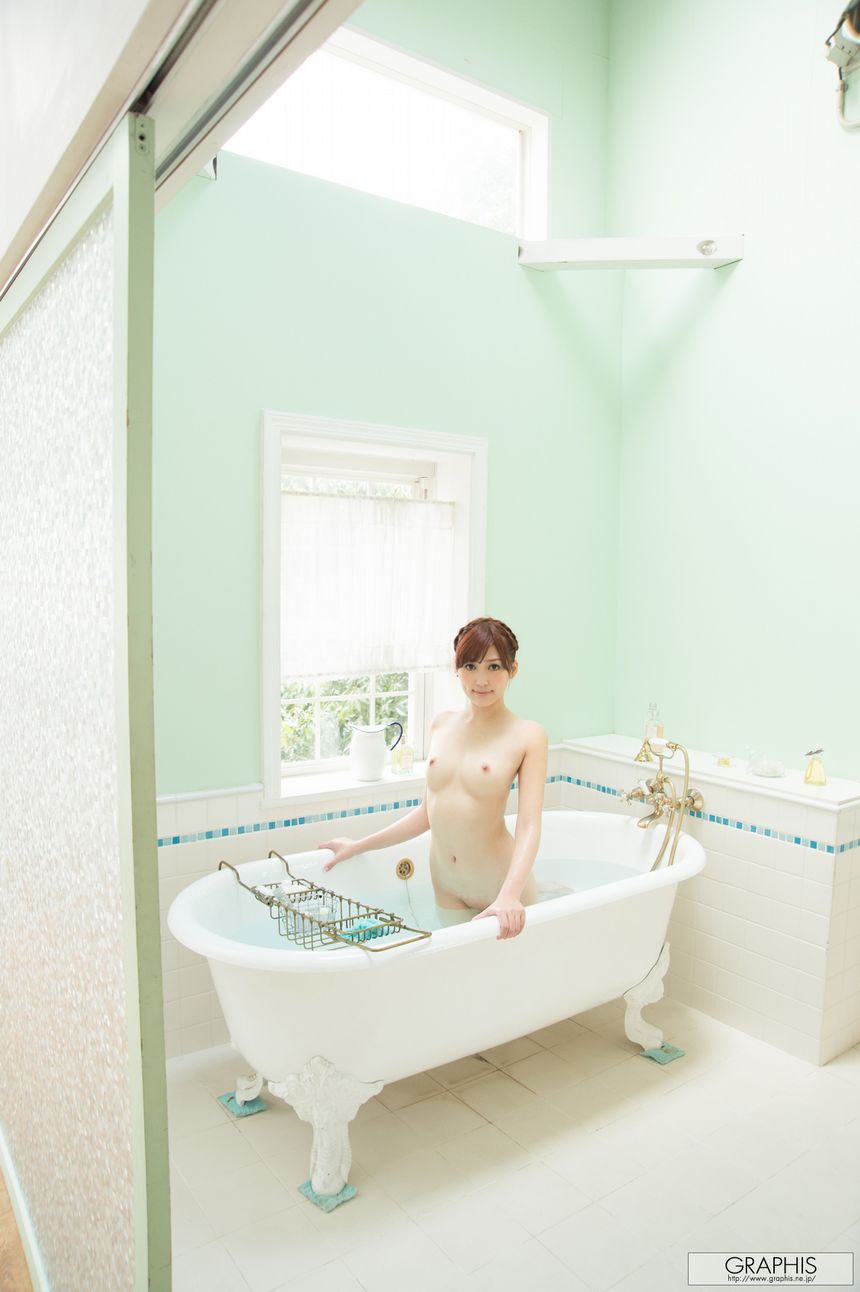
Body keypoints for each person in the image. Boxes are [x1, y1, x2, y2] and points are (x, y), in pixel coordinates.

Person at [318, 617, 548, 939]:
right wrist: (358, 845)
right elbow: (427, 813)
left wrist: (509, 895)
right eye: (470, 666)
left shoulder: (527, 735)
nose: (481, 679)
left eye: (494, 667)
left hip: (499, 888)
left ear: (513, 669)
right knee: (457, 970)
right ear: (456, 668)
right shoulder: (441, 724)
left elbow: (529, 825)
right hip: (447, 886)